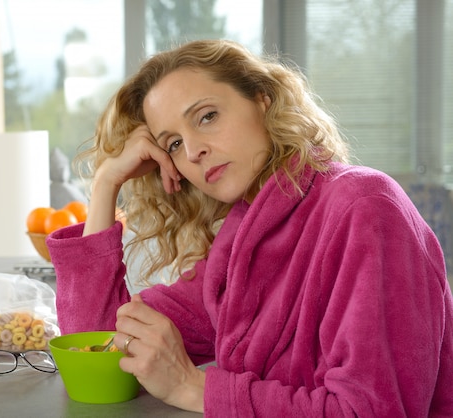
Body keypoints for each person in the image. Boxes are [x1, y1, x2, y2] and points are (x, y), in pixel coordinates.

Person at [46, 39, 453, 416]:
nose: (192, 151)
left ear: (263, 100)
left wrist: (194, 389)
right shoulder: (243, 237)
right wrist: (105, 185)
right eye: (172, 143)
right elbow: (98, 349)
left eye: (207, 116)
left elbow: (371, 411)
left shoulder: (365, 207)